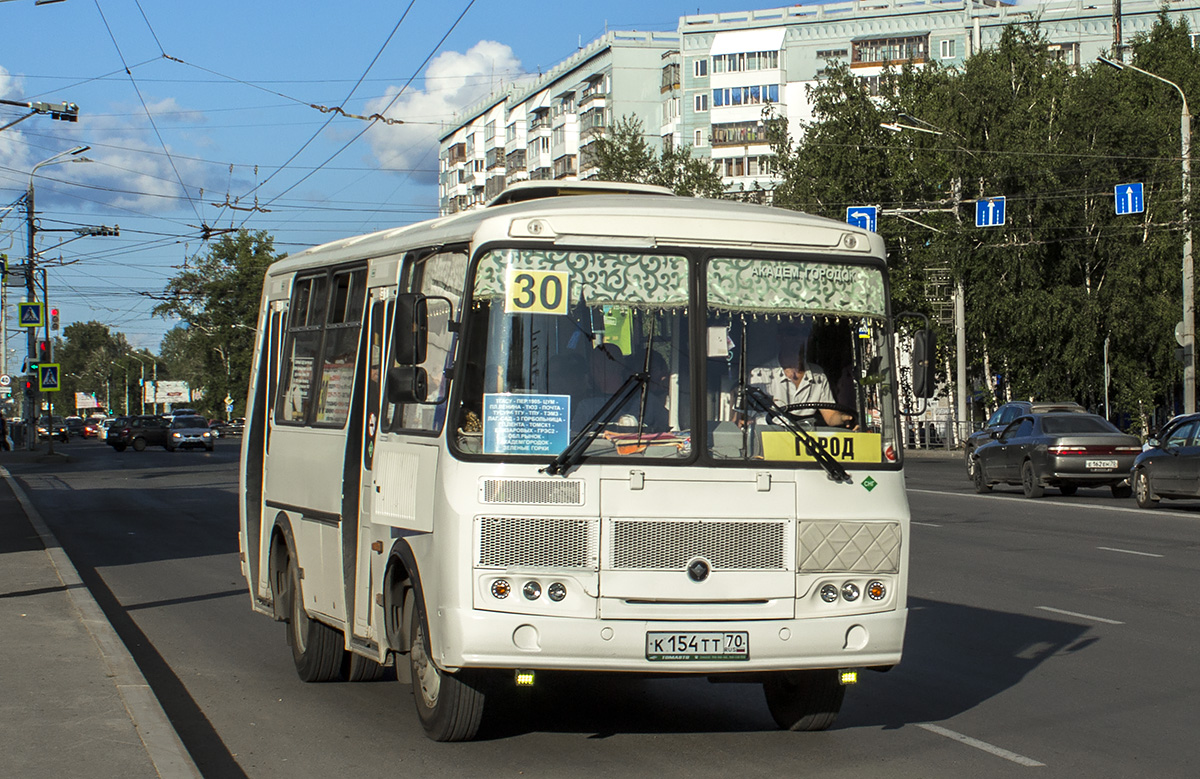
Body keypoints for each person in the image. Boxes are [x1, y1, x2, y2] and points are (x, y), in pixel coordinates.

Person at [747, 327, 852, 428]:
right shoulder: (759, 374)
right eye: (792, 333)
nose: (798, 338)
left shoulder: (817, 374)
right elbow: (749, 418)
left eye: (804, 332)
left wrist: (844, 418)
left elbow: (830, 416)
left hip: (806, 440)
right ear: (780, 337)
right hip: (770, 440)